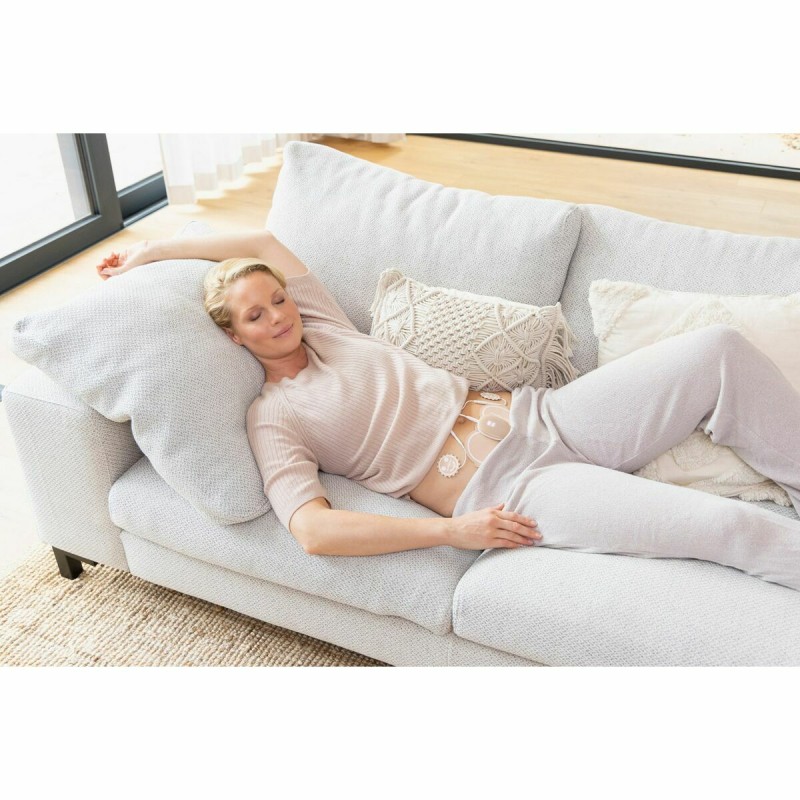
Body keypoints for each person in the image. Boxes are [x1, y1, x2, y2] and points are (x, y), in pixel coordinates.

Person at [96, 229, 800, 592]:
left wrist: (154, 249)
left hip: (548, 415)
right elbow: (313, 530)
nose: (279, 316)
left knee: (717, 349)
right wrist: (453, 531)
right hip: (515, 489)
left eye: (278, 299)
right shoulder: (274, 417)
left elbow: (261, 244)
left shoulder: (325, 325)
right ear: (235, 336)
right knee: (729, 526)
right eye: (256, 315)